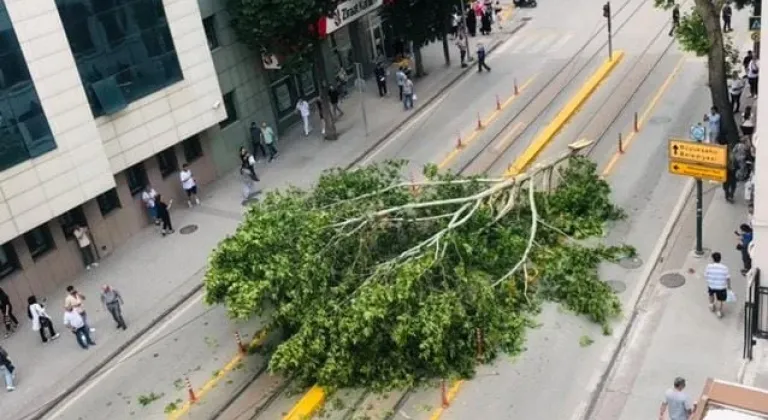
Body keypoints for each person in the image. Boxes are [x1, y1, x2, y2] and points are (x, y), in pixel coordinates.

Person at [705, 252, 731, 318]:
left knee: (711, 295)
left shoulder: (709, 266)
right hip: (721, 287)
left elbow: (706, 275)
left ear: (713, 259)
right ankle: (719, 312)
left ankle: (711, 305)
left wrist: (709, 281)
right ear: (720, 259)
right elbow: (728, 278)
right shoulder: (725, 268)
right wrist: (729, 286)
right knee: (720, 300)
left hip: (712, 285)